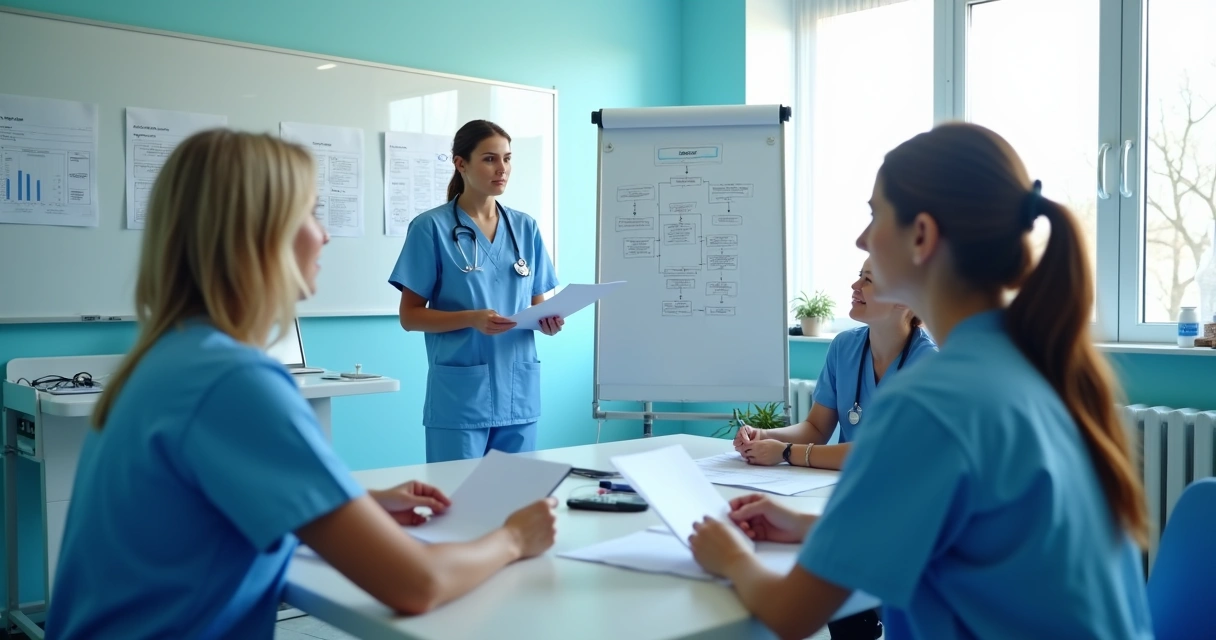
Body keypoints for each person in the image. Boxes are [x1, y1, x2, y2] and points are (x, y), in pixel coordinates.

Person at [46, 130, 559, 640]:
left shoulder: (167, 358)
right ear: (256, 233)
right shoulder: (235, 383)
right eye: (311, 215)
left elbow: (210, 499)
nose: (326, 235)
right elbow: (417, 583)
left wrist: (358, 499)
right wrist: (514, 538)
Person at [687, 123, 1153, 640]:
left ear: (922, 236)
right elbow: (963, 538)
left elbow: (791, 613)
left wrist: (729, 557)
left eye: (874, 215)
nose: (862, 240)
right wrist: (807, 526)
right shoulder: (1043, 369)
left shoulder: (933, 401)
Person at [390, 120, 561, 463]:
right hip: (461, 398)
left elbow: (538, 304)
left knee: (515, 504)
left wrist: (550, 320)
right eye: (489, 159)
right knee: (460, 508)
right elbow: (409, 316)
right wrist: (471, 319)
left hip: (518, 395)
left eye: (507, 159)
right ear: (460, 163)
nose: (502, 169)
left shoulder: (524, 227)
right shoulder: (431, 228)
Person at [734, 259, 935, 470]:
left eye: (868, 280)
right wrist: (764, 435)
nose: (855, 286)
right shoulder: (844, 346)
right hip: (842, 485)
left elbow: (882, 452)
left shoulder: (930, 365)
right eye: (859, 276)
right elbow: (816, 429)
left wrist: (786, 451)